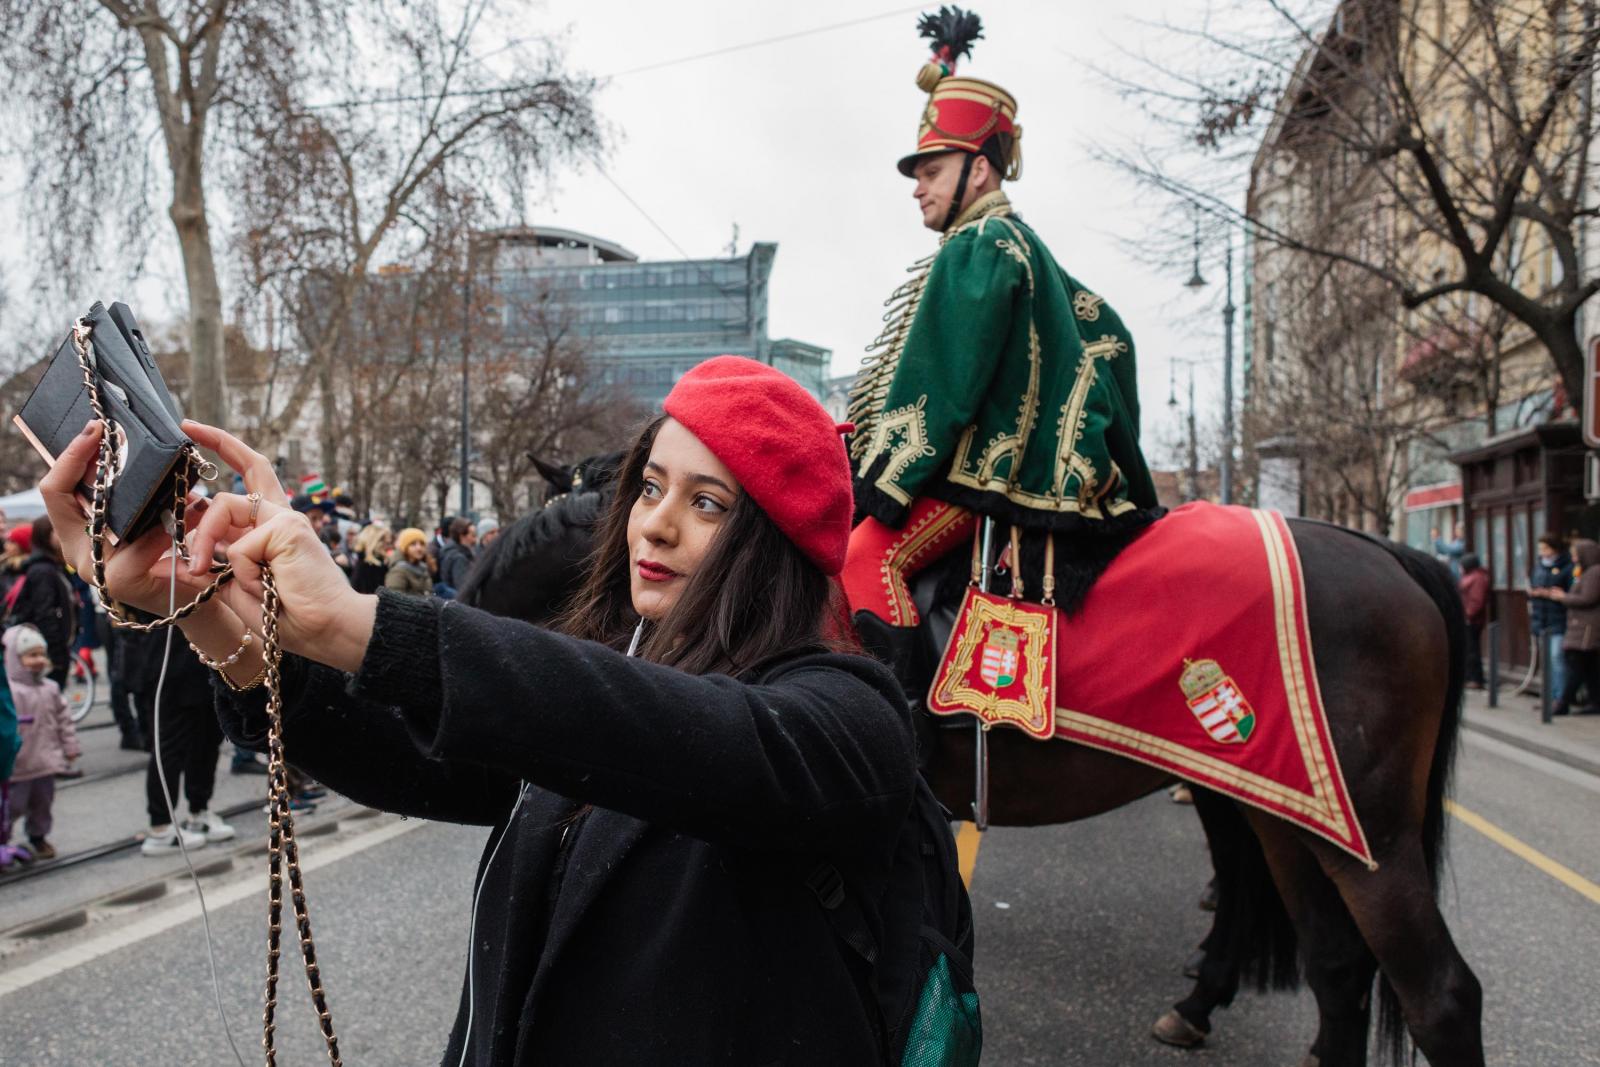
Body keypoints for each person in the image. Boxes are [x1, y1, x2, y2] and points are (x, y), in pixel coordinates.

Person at [42, 357, 927, 1065]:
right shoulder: (613, 676)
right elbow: (398, 751)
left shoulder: (851, 720)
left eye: (707, 503)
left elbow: (670, 732)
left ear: (771, 542)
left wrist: (359, 621)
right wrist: (195, 596)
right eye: (650, 487)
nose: (653, 525)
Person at [840, 12, 1160, 691]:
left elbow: (938, 393)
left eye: (931, 169)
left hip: (983, 482)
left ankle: (890, 744)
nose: (917, 185)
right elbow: (1110, 330)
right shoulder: (1022, 245)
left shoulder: (977, 248)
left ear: (979, 170)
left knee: (866, 556)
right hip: (1015, 470)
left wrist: (878, 480)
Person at [119, 627, 235, 854]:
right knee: (170, 746)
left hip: (203, 659)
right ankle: (160, 826)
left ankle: (198, 811)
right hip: (170, 661)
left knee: (207, 739)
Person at [2, 625, 78, 860]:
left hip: (45, 763)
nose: (38, 660)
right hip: (19, 767)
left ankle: (38, 836)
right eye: (31, 655)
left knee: (43, 805)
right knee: (11, 807)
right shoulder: (11, 691)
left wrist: (70, 746)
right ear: (15, 659)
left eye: (41, 655)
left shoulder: (51, 688)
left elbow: (64, 720)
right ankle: (4, 839)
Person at [7, 516, 79, 687]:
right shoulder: (42, 570)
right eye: (56, 530)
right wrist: (56, 652)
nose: (61, 533)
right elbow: (45, 613)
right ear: (45, 535)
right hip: (46, 650)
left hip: (53, 646)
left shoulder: (54, 565)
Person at [1531, 538, 1600, 716]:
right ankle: (1594, 701)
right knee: (1588, 668)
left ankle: (1562, 702)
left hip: (1586, 627)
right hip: (1579, 625)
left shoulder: (1594, 573)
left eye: (1576, 555)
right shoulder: (1584, 572)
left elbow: (1587, 598)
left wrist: (1562, 597)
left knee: (1575, 666)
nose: (1574, 558)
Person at [1529, 533, 1574, 704]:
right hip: (1541, 618)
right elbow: (1534, 586)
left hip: (1559, 619)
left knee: (1557, 658)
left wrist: (1552, 594)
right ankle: (1547, 696)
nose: (1542, 552)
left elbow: (1571, 593)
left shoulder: (1566, 567)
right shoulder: (1539, 567)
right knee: (1546, 660)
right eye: (1540, 548)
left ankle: (1560, 697)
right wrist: (1535, 593)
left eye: (1545, 548)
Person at [1458, 553, 1489, 689]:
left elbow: (1477, 600)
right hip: (1467, 617)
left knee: (1472, 649)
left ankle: (1475, 678)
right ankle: (1470, 676)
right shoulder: (1470, 577)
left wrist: (1467, 615)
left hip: (1471, 620)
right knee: (1468, 649)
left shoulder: (1477, 578)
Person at [385, 527, 434, 597]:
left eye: (422, 544)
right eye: (413, 544)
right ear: (405, 547)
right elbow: (395, 600)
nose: (419, 548)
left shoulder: (423, 567)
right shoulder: (398, 570)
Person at [436, 517, 477, 598]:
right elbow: (463, 588)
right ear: (462, 536)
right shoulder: (459, 558)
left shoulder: (451, 551)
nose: (475, 539)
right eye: (473, 535)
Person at [350, 524, 394, 595]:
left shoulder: (375, 563)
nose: (388, 541)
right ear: (372, 541)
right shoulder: (369, 566)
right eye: (382, 539)